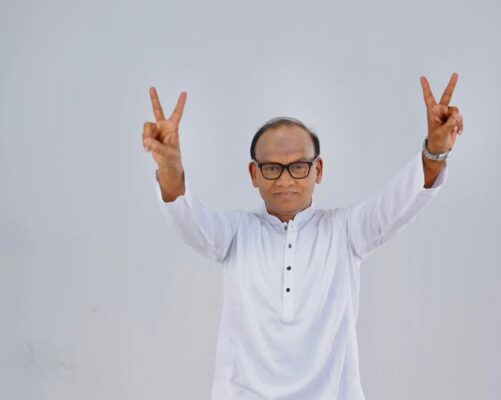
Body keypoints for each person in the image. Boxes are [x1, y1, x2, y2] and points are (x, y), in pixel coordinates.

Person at [141, 73, 463, 399]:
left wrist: (435, 152)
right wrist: (170, 168)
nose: (285, 180)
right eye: (272, 168)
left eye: (298, 167)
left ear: (318, 170)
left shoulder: (346, 231)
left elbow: (399, 202)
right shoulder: (237, 232)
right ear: (254, 174)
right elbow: (189, 220)